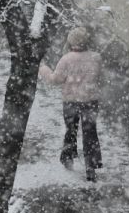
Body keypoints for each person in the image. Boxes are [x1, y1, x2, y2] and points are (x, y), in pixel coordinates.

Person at [39, 27, 103, 181]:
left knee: (71, 131)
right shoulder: (96, 58)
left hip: (71, 102)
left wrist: (43, 68)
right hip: (91, 101)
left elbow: (55, 80)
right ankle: (91, 166)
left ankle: (68, 158)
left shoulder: (66, 59)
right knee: (90, 133)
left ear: (71, 42)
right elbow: (99, 77)